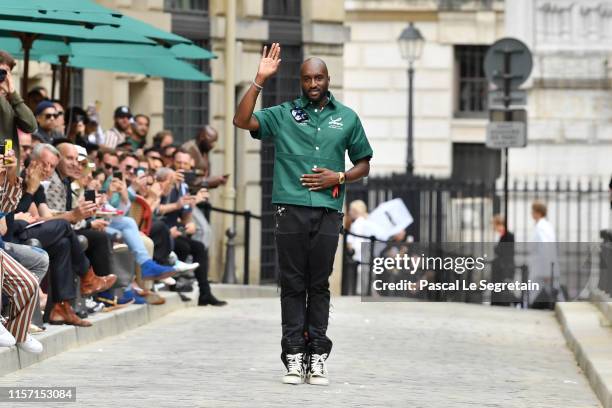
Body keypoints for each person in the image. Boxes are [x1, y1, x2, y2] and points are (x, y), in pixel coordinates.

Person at [233, 43, 373, 386]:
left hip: (327, 211)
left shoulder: (348, 118)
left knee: (319, 284)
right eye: (307, 78)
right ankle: (294, 355)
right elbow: (241, 120)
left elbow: (364, 164)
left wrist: (338, 176)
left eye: (319, 77)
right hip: (289, 209)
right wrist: (260, 80)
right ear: (300, 81)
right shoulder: (282, 114)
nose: (313, 83)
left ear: (328, 79)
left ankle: (318, 356)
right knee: (293, 284)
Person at [0, 51, 38, 165]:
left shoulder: (10, 101)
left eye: (4, 72)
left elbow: (31, 126)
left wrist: (13, 95)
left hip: (6, 173)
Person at [491, 214, 516, 306]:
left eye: (494, 225)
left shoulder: (507, 236)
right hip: (503, 268)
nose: (493, 227)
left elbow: (504, 252)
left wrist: (496, 249)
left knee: (504, 292)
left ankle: (517, 301)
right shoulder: (503, 236)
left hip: (505, 269)